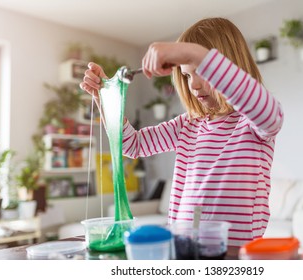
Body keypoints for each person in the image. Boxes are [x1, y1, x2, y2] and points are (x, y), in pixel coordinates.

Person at [80, 17, 284, 252]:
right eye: (187, 75)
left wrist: (194, 53)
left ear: (229, 67)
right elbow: (131, 144)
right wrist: (104, 99)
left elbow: (271, 114)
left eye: (202, 72)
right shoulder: (188, 125)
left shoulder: (251, 123)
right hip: (182, 249)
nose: (194, 85)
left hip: (233, 255)